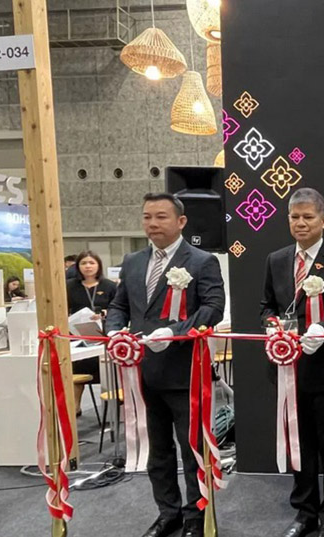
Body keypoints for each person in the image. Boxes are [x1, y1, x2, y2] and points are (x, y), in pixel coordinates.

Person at [106, 193, 225, 537]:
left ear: (181, 221)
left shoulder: (201, 261)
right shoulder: (132, 261)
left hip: (185, 372)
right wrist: (114, 330)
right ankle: (167, 513)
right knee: (157, 452)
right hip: (143, 374)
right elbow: (119, 306)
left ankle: (196, 516)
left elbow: (213, 308)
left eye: (161, 217)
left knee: (192, 451)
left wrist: (174, 332)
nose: (153, 224)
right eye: (147, 217)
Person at [260, 188, 324, 537]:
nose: (300, 223)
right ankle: (305, 513)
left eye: (308, 217)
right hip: (289, 370)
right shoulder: (276, 259)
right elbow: (266, 305)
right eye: (294, 217)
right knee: (298, 446)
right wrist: (272, 325)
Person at [66, 250, 118, 416]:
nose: (88, 266)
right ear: (78, 266)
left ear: (98, 265)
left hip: (103, 333)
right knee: (76, 370)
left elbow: (118, 308)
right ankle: (75, 407)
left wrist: (104, 313)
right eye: (83, 263)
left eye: (91, 263)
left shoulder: (109, 286)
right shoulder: (69, 286)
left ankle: (112, 411)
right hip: (77, 334)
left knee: (106, 370)